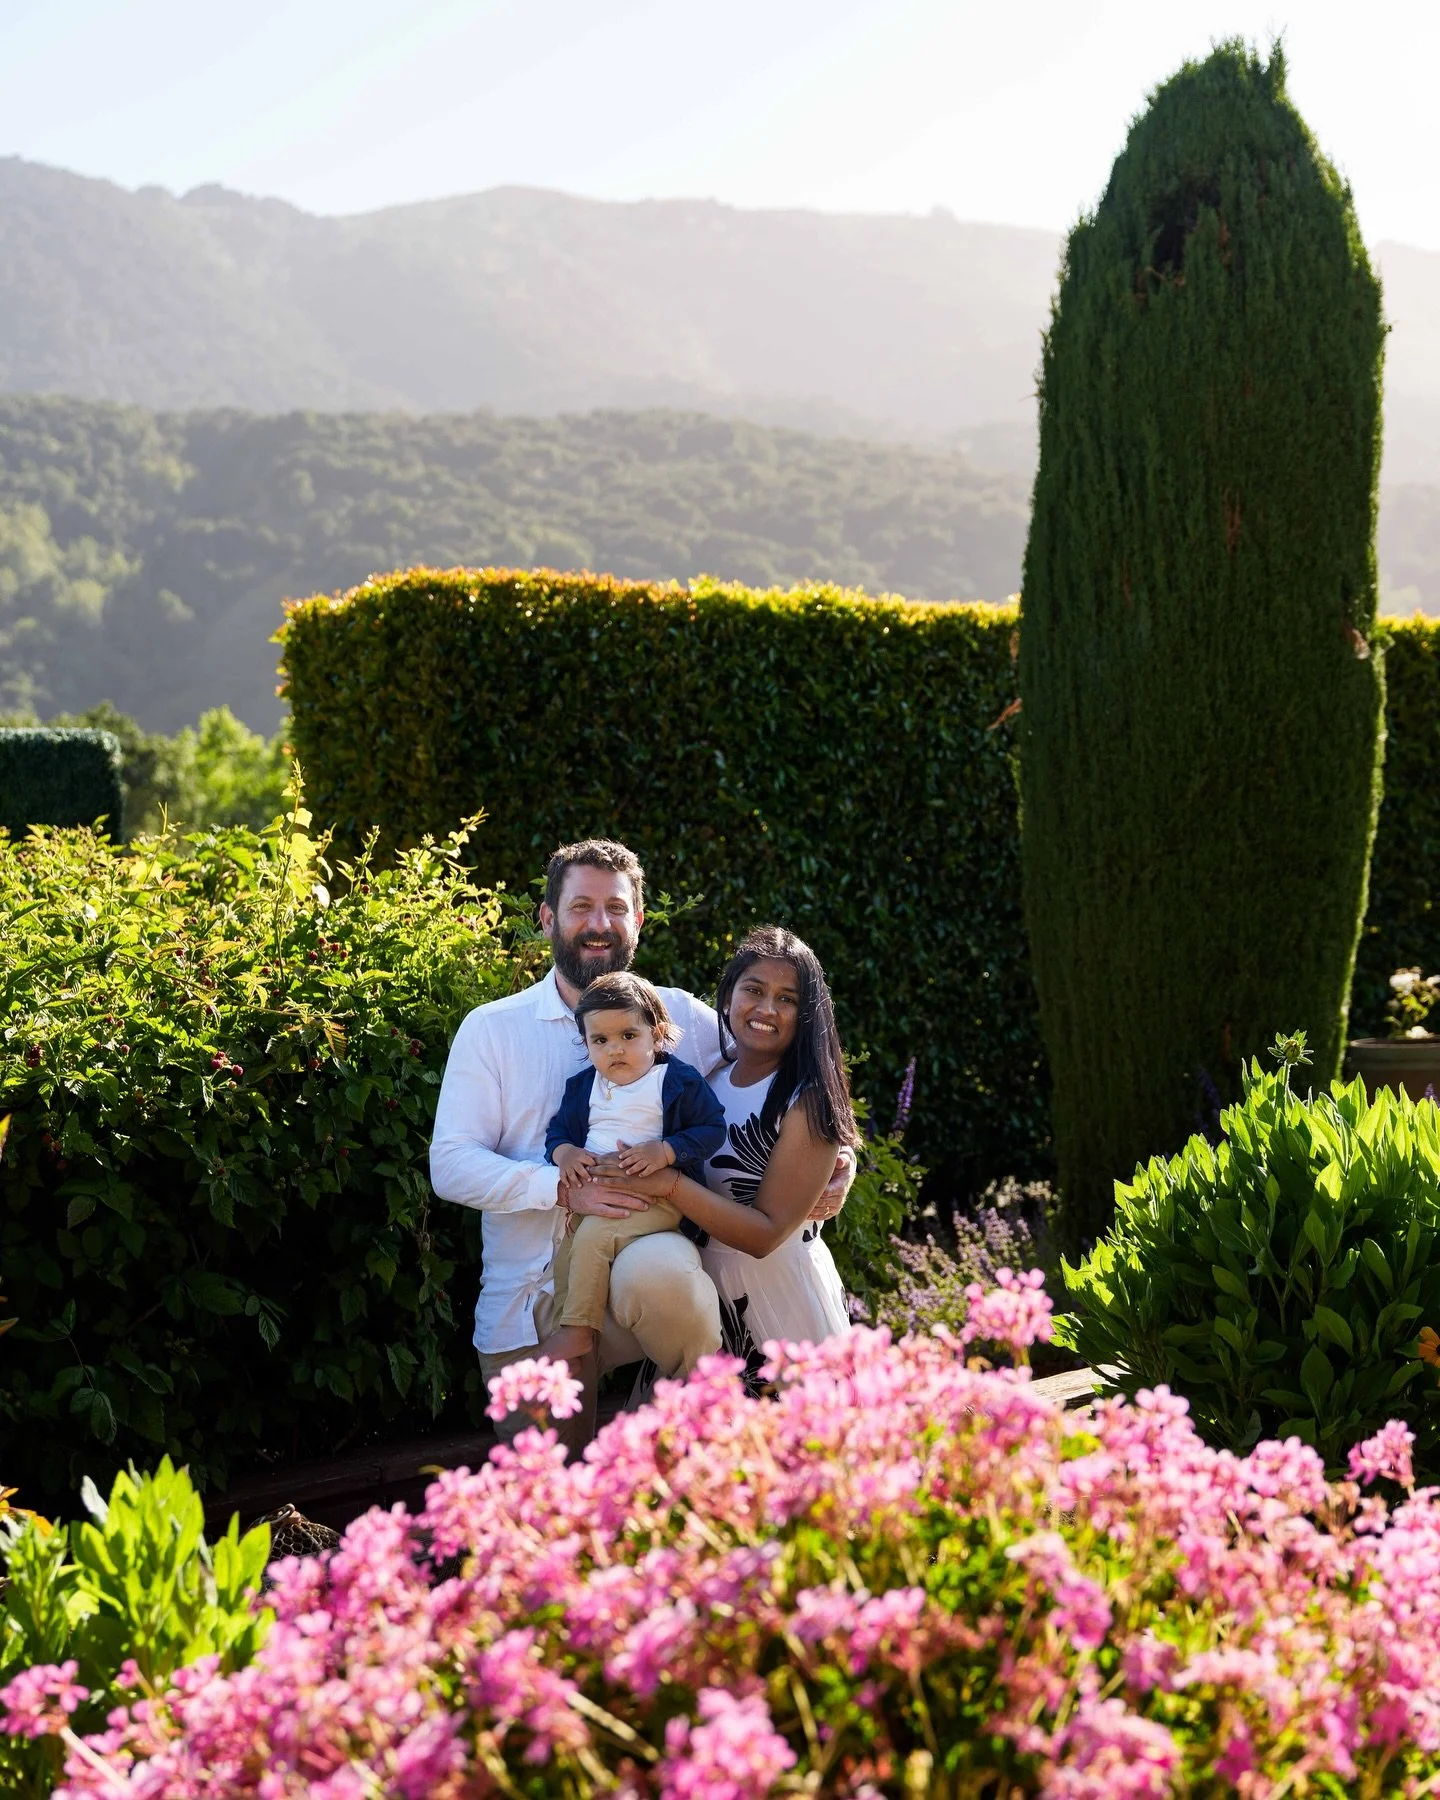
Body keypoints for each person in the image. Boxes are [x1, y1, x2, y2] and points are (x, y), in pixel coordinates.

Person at [429, 838, 851, 1448]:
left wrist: (840, 1163)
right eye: (580, 907)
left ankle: (711, 1430)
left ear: (639, 921)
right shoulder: (493, 1030)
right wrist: (568, 1187)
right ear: (548, 918)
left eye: (616, 908)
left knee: (664, 1277)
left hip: (644, 1275)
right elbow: (450, 1165)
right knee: (545, 1500)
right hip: (532, 1304)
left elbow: (778, 1081)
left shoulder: (681, 1021)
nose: (598, 925)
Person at [594, 925, 858, 1359]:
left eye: (787, 999)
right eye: (753, 989)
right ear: (729, 994)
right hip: (700, 1295)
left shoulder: (807, 1100)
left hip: (779, 1304)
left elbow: (765, 1236)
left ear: (808, 1013)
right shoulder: (709, 1078)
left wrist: (669, 1185)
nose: (767, 1009)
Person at [539, 971, 726, 1371]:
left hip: (656, 1199)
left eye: (628, 1035)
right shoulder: (584, 1087)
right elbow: (557, 1133)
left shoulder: (674, 1080)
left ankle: (578, 1331)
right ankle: (573, 1343)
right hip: (597, 1201)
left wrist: (668, 1150)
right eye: (600, 1040)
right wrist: (565, 1153)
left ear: (656, 1034)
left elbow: (712, 1128)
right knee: (567, 1255)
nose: (615, 1050)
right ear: (586, 1043)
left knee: (592, 1236)